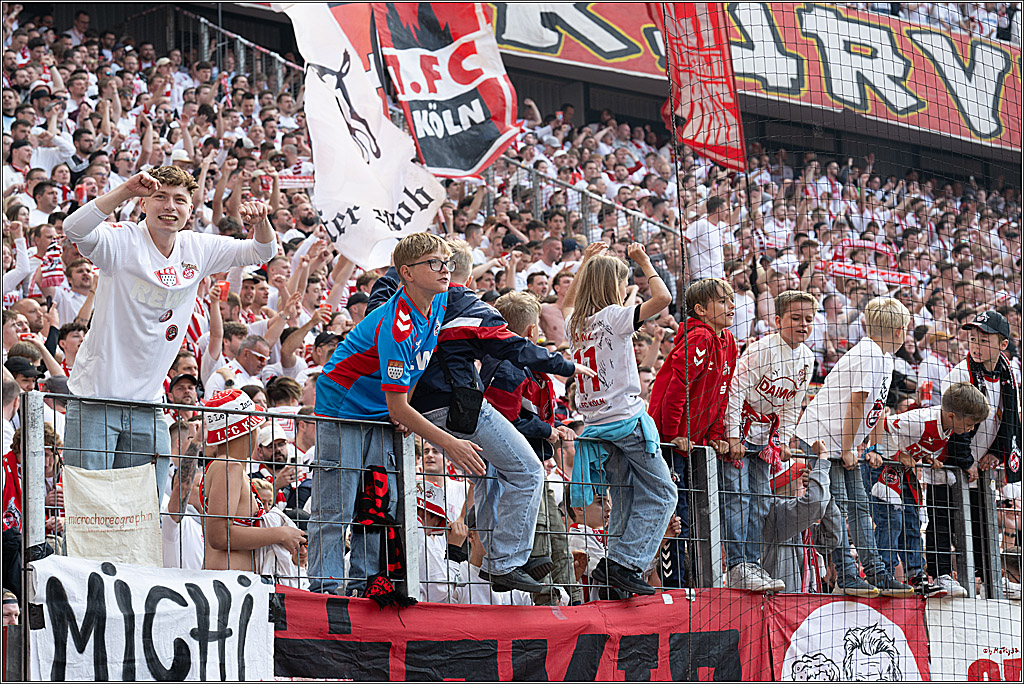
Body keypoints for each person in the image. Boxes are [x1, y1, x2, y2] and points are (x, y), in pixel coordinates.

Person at [366, 240, 594, 594]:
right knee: (530, 470)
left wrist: (393, 272)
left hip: (417, 409)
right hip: (460, 405)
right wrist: (563, 365)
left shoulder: (403, 300)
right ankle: (505, 561)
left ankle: (498, 556)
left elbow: (374, 313)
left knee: (490, 473)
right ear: (467, 275)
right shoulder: (464, 301)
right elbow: (512, 344)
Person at [60, 168, 276, 502]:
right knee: (90, 504)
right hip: (96, 399)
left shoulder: (197, 247)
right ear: (144, 202)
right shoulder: (122, 240)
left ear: (191, 209)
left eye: (180, 199)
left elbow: (262, 252)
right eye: (160, 196)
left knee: (144, 509)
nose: (169, 206)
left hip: (148, 405)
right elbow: (73, 228)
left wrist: (261, 221)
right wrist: (124, 189)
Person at [311, 234, 483, 596]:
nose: (444, 270)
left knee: (377, 503)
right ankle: (325, 588)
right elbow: (399, 404)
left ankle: (364, 584)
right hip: (344, 407)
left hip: (382, 408)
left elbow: (413, 372)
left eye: (446, 262)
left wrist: (401, 409)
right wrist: (450, 444)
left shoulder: (438, 302)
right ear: (407, 272)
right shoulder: (396, 322)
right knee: (337, 504)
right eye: (434, 263)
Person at [562, 241, 677, 596]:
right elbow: (663, 299)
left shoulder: (576, 324)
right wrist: (644, 260)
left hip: (596, 425)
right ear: (613, 286)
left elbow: (567, 303)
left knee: (625, 497)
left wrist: (584, 262)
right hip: (625, 421)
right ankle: (624, 563)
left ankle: (615, 575)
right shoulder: (614, 316)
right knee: (663, 494)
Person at [794, 296, 912, 597]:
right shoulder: (868, 355)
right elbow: (857, 403)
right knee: (835, 507)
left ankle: (876, 572)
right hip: (822, 435)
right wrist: (849, 448)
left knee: (859, 504)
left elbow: (875, 408)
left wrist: (871, 447)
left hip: (843, 438)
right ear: (899, 331)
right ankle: (846, 574)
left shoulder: (884, 357)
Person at [481, 290, 580, 605]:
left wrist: (553, 428)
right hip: (515, 473)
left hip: (533, 465)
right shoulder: (507, 366)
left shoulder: (521, 364)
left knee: (557, 544)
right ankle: (550, 613)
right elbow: (502, 422)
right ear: (530, 331)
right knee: (541, 555)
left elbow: (528, 414)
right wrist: (546, 430)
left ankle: (575, 606)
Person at [721, 290, 817, 592]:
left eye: (809, 320)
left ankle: (754, 564)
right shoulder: (761, 349)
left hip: (766, 436)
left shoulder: (808, 358)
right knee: (738, 497)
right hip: (741, 428)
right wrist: (733, 434)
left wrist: (785, 439)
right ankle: (738, 565)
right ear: (778, 320)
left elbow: (792, 403)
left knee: (761, 501)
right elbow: (735, 391)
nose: (803, 325)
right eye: (796, 318)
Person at [648, 277, 737, 588]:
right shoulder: (698, 338)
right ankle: (674, 584)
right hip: (668, 441)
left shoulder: (728, 340)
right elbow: (677, 389)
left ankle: (696, 582)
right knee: (676, 511)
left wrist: (714, 433)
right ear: (700, 309)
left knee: (698, 510)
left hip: (696, 441)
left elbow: (721, 393)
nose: (731, 306)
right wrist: (672, 433)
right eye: (723, 301)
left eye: (731, 299)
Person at [866, 381, 989, 598]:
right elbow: (881, 424)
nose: (970, 429)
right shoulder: (921, 421)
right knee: (891, 520)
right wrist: (898, 455)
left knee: (912, 521)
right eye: (970, 424)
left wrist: (927, 457)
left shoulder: (947, 428)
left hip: (903, 472)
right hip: (882, 467)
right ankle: (883, 572)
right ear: (952, 416)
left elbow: (917, 444)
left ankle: (916, 575)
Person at [936, 310, 1021, 596]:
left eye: (984, 339)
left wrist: (998, 453)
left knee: (983, 524)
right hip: (949, 461)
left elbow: (1010, 419)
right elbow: (951, 423)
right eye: (973, 338)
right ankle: (941, 575)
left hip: (982, 464)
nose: (976, 343)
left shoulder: (1009, 372)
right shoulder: (960, 373)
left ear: (1003, 344)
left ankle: (991, 580)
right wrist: (966, 460)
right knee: (943, 520)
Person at [200, 389, 305, 572]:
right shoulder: (228, 467)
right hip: (229, 587)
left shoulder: (228, 467)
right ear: (247, 429)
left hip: (230, 584)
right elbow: (219, 536)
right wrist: (280, 534)